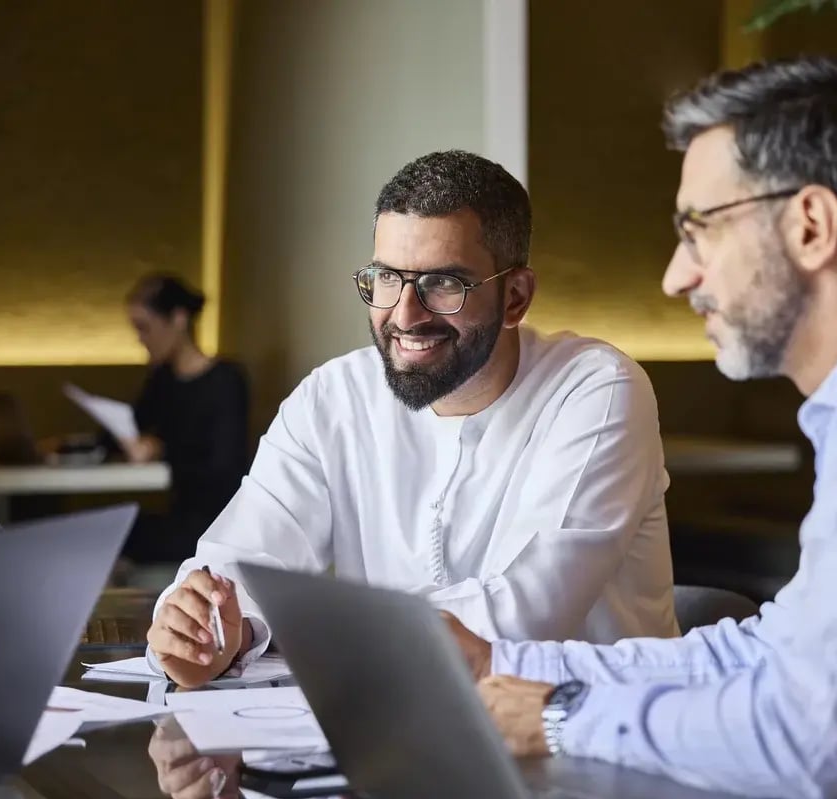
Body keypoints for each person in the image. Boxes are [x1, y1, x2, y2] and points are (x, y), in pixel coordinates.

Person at [448, 56, 837, 799]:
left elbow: (809, 743)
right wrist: (504, 664)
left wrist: (561, 717)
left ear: (810, 224)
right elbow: (769, 656)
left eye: (698, 229)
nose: (677, 277)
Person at [145, 150, 679, 691]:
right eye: (385, 278)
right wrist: (202, 627)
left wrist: (303, 625)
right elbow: (241, 561)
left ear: (514, 297)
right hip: (404, 733)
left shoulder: (597, 388)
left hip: (597, 743)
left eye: (443, 284)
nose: (404, 314)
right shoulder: (333, 397)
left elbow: (523, 617)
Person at [113, 274, 250, 564]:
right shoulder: (162, 380)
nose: (140, 339)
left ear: (178, 319)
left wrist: (162, 450)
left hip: (216, 524)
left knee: (118, 534)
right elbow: (128, 425)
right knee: (113, 529)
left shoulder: (225, 380)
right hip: (180, 514)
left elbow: (225, 470)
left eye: (144, 328)